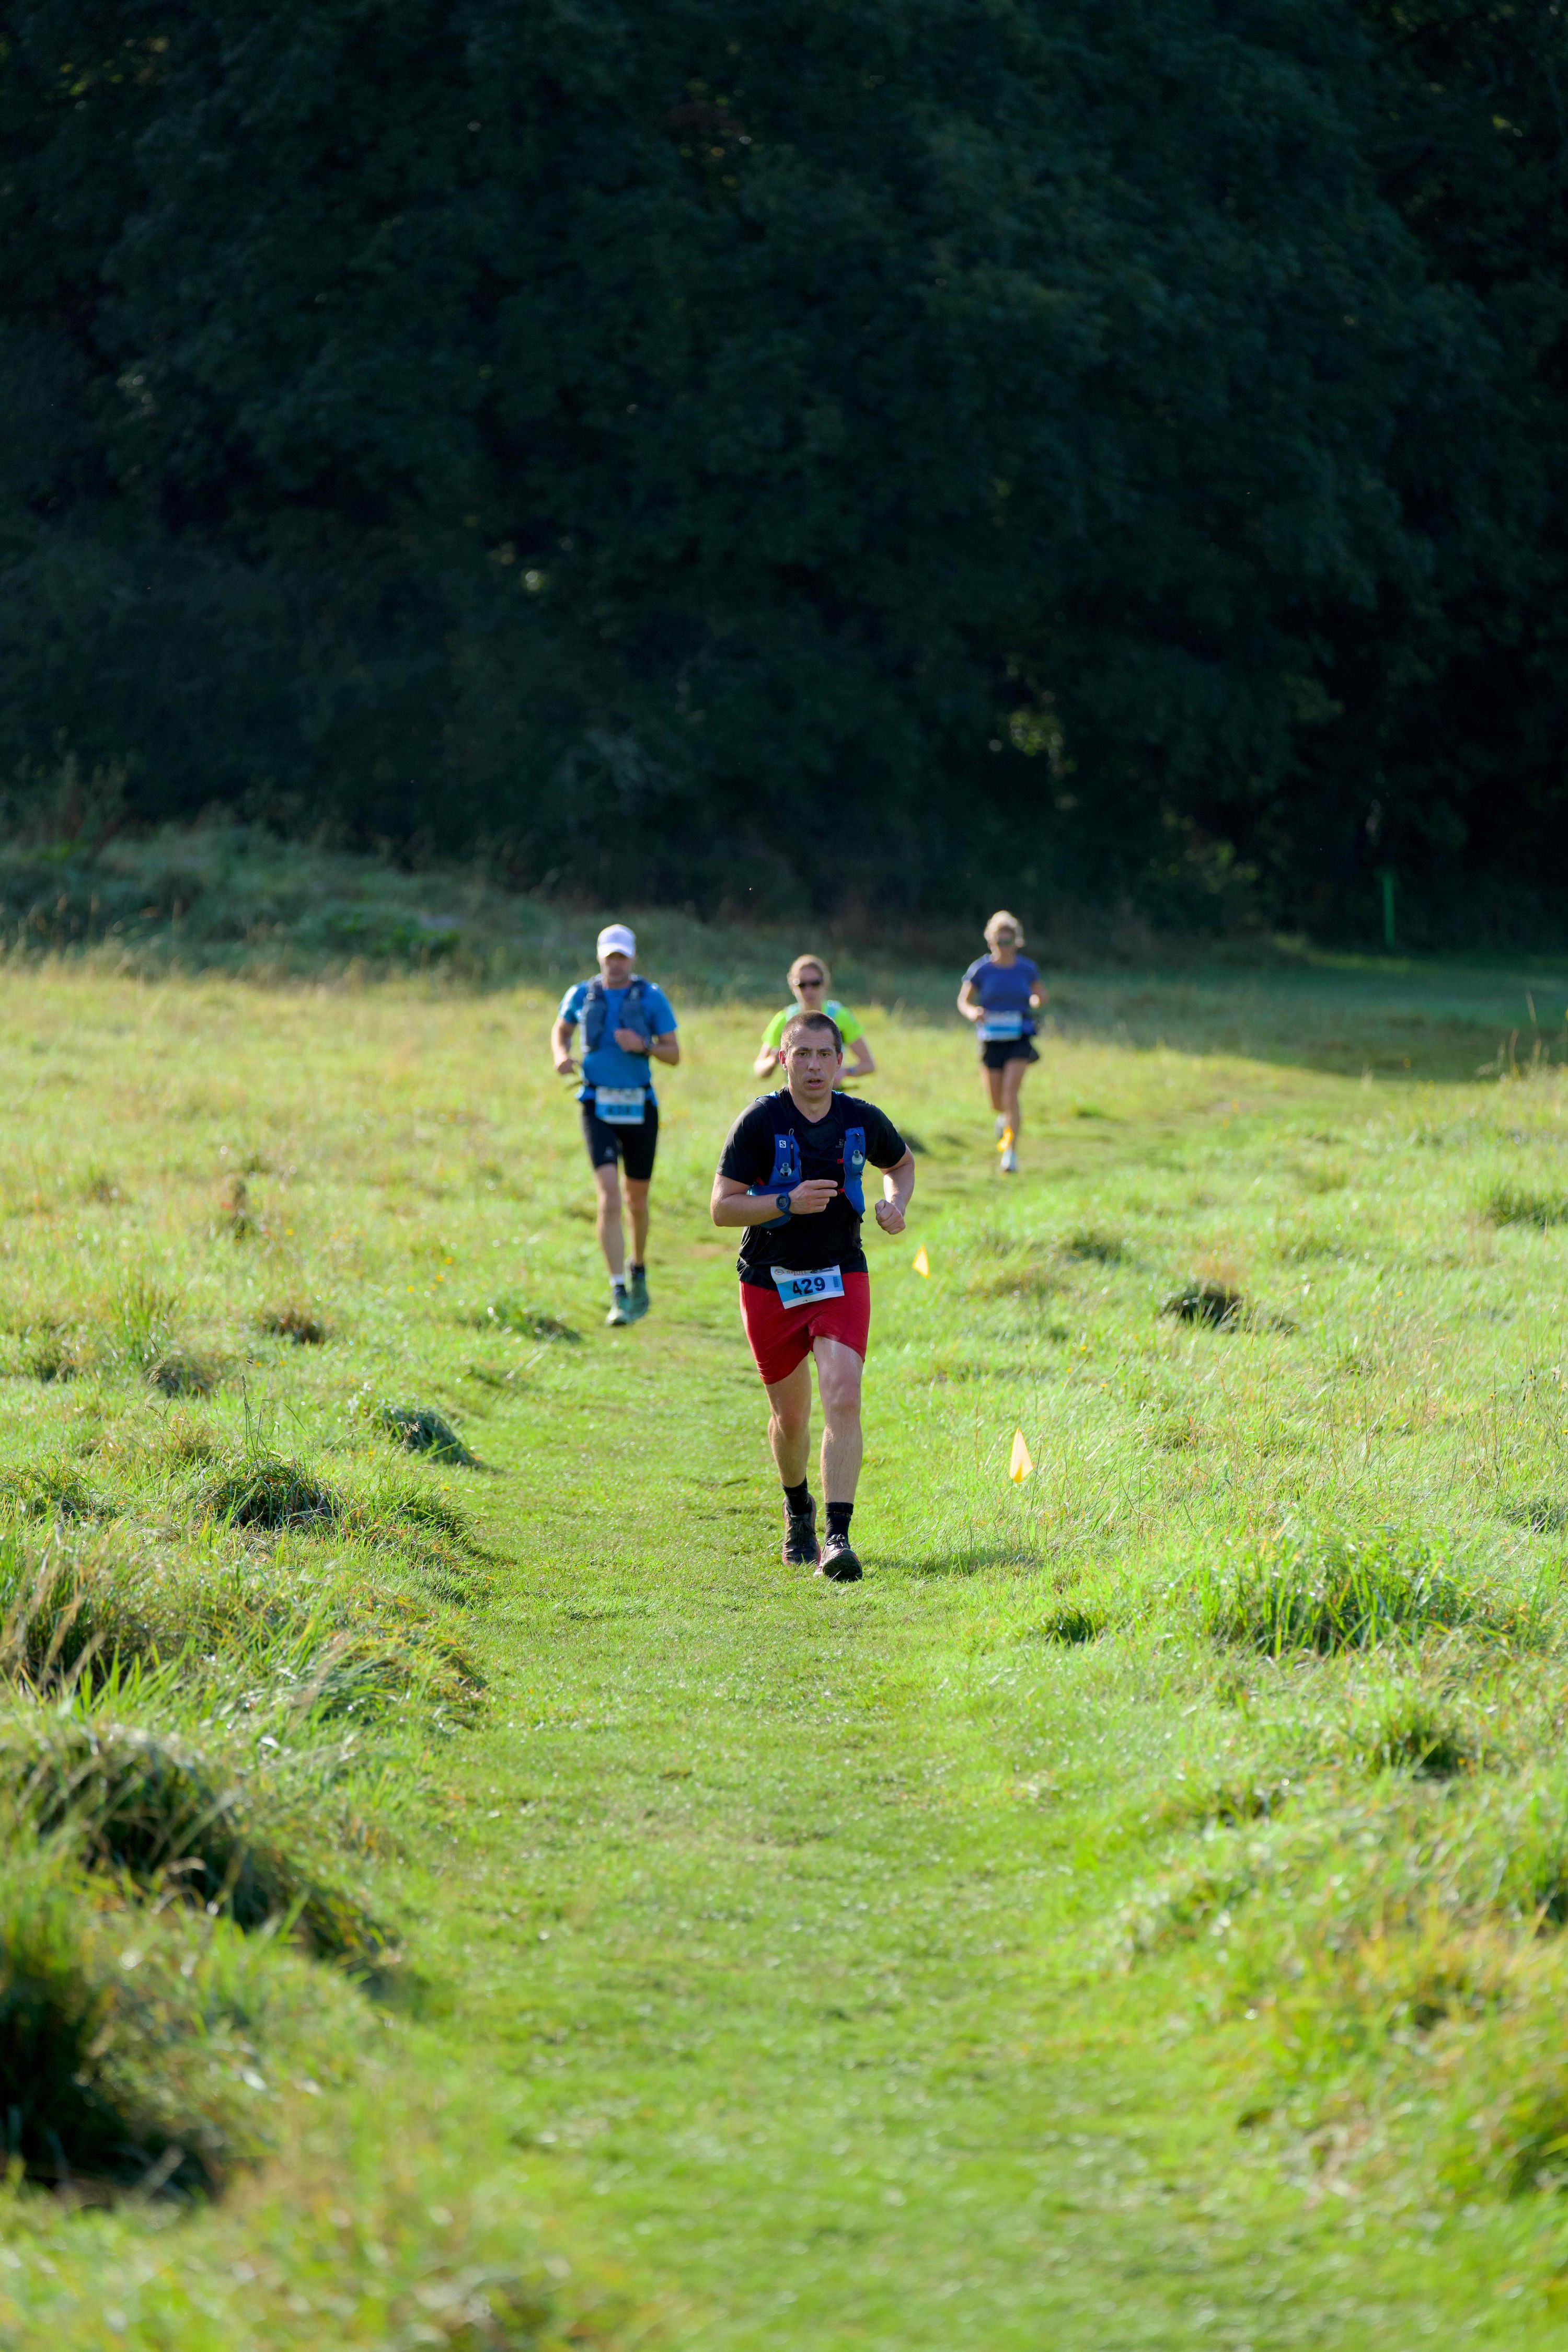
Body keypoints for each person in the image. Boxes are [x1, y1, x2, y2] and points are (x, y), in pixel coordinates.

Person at [712, 1011, 914, 1582]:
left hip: (840, 1273)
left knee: (844, 1395)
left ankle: (838, 1537)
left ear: (841, 1061)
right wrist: (786, 1203)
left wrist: (896, 1203)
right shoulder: (760, 1121)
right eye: (802, 1054)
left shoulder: (861, 1118)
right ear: (783, 1059)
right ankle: (798, 1506)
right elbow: (722, 1207)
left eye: (825, 1054)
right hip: (769, 1280)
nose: (814, 1066)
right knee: (791, 1417)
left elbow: (900, 1163)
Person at [552, 924, 679, 1325]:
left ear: (632, 958)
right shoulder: (580, 994)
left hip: (640, 1107)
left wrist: (644, 1045)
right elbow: (562, 1029)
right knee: (608, 1196)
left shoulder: (651, 997)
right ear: (600, 957)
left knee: (635, 1201)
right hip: (596, 1105)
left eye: (622, 956)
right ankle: (617, 1289)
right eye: (610, 956)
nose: (616, 963)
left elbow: (674, 1054)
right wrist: (560, 1055)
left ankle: (638, 1266)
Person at [956, 909, 1044, 1174]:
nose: (1003, 947)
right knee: (997, 1102)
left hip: (1019, 1036)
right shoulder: (981, 969)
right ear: (990, 941)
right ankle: (1005, 1121)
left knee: (1010, 1094)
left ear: (1017, 942)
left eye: (1008, 941)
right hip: (991, 1038)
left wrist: (1035, 1001)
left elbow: (1040, 995)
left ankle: (1010, 1152)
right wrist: (973, 1013)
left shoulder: (1027, 969)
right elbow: (964, 1001)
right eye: (998, 942)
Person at [753, 954, 875, 1083]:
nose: (809, 990)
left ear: (825, 984)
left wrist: (845, 1072)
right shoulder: (784, 1019)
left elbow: (868, 1064)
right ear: (792, 987)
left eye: (815, 984)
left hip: (830, 1092)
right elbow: (759, 1069)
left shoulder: (840, 1016)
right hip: (794, 1094)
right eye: (802, 985)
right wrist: (772, 1062)